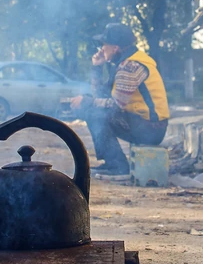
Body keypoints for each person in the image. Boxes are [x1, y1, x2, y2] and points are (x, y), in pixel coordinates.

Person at [70, 23, 169, 175]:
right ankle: (113, 162)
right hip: (148, 125)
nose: (102, 49)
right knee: (93, 110)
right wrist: (97, 67)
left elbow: (116, 106)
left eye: (104, 45)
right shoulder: (125, 62)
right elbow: (100, 97)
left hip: (151, 128)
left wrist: (86, 101)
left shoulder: (130, 67)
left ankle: (117, 166)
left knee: (93, 114)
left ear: (115, 48)